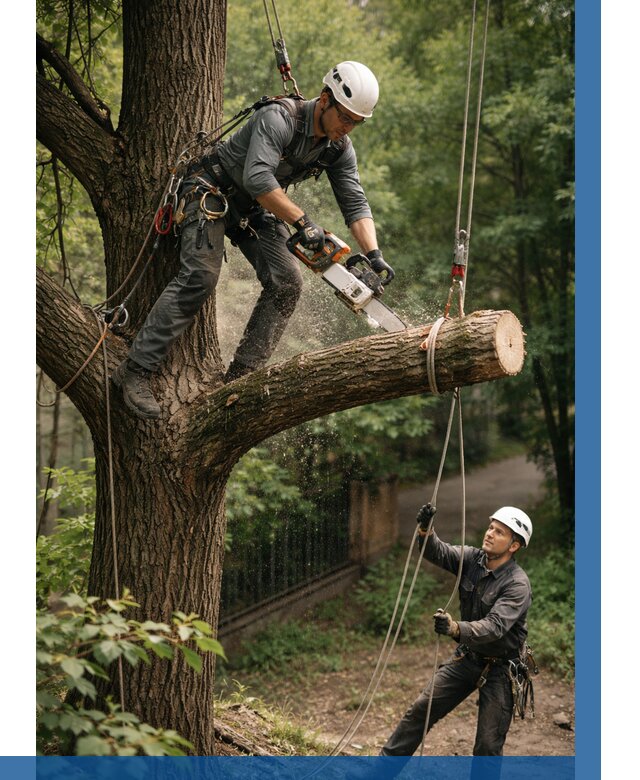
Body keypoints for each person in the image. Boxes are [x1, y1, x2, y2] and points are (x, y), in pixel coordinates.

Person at [112, 61, 394, 419]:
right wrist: (303, 222)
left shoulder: (338, 148)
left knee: (287, 283)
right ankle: (135, 370)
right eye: (345, 117)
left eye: (357, 122)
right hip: (212, 190)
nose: (348, 127)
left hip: (255, 210)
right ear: (325, 99)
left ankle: (240, 380)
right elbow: (259, 177)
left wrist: (374, 254)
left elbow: (354, 201)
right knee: (200, 277)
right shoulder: (279, 118)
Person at [380, 505, 533, 757]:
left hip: (501, 670)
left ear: (514, 545)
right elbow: (437, 552)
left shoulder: (517, 584)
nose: (490, 534)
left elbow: (495, 626)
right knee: (420, 711)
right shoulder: (472, 559)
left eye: (500, 532)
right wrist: (425, 529)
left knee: (488, 745)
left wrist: (454, 628)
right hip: (468, 658)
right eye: (491, 527)